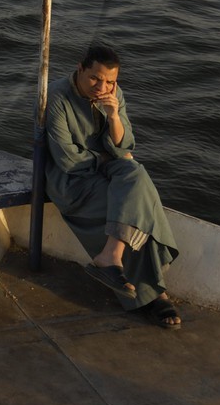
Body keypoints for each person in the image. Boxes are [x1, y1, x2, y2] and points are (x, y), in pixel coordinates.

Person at [45, 42, 182, 328]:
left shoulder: (113, 94)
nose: (101, 86)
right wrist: (108, 158)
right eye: (95, 77)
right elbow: (67, 158)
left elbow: (125, 145)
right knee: (135, 203)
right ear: (80, 69)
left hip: (105, 170)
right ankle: (156, 294)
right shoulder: (56, 97)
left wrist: (114, 116)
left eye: (110, 80)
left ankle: (112, 255)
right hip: (71, 180)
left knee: (136, 175)